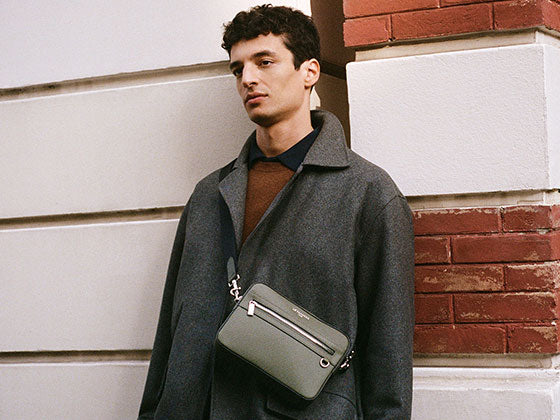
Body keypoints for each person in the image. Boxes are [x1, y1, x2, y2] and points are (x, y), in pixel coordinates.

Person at [138, 5, 414, 420]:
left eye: (264, 62)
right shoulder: (209, 194)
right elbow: (170, 329)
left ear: (309, 72)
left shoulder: (368, 194)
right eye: (238, 69)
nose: (248, 79)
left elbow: (388, 347)